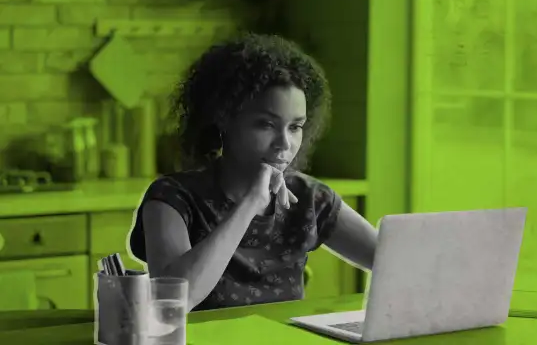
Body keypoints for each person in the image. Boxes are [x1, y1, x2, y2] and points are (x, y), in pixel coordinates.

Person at [128, 33, 378, 312]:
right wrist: (251, 203)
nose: (285, 143)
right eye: (266, 125)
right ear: (224, 119)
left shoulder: (309, 197)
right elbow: (174, 302)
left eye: (295, 127)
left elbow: (392, 262)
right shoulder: (172, 198)